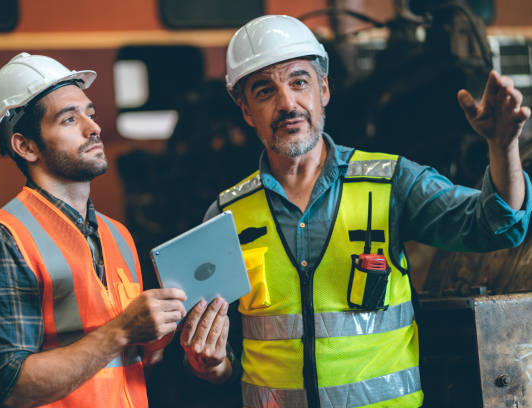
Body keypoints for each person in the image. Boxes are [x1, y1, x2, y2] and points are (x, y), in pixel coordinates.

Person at [180, 15, 532, 408]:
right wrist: (210, 367)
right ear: (246, 111)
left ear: (323, 89)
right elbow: (218, 358)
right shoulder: (225, 216)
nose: (287, 103)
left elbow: (496, 227)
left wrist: (503, 148)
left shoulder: (391, 182)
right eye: (265, 92)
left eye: (299, 82)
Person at [0, 52, 187, 408]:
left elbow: (131, 362)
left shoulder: (117, 234)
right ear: (25, 146)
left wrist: (156, 336)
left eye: (89, 113)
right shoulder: (2, 242)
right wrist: (122, 331)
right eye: (69, 119)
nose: (94, 128)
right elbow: (11, 389)